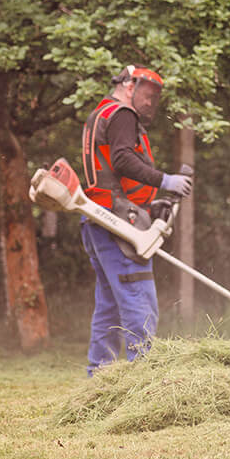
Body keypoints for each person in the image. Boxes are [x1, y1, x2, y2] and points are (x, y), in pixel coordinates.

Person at [79, 64, 193, 375]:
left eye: (157, 97)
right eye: (148, 93)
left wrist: (147, 201)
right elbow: (123, 160)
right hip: (119, 226)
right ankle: (142, 382)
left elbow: (112, 173)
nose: (151, 102)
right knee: (138, 302)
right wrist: (164, 181)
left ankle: (98, 380)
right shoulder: (122, 114)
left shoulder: (100, 115)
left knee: (110, 307)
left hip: (97, 221)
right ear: (130, 85)